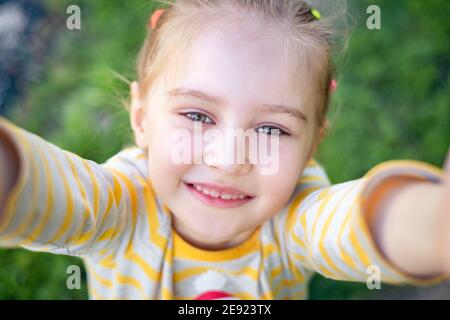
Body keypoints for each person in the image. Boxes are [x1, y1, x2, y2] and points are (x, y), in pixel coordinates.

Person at [0, 0, 449, 300]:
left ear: (313, 145)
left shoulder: (294, 220)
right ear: (141, 119)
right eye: (197, 116)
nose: (229, 159)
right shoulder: (119, 209)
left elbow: (352, 224)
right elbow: (50, 191)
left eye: (271, 129)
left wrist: (433, 224)